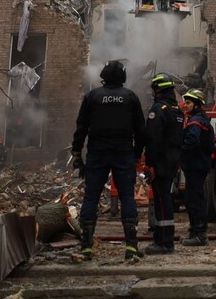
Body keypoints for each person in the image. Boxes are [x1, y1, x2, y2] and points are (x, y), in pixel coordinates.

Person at [71, 60, 146, 260]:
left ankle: (86, 247)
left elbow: (81, 127)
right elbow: (140, 130)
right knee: (127, 197)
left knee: (91, 197)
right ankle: (131, 247)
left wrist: (77, 153)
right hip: (124, 152)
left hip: (97, 152)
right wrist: (137, 154)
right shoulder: (130, 97)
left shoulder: (92, 97)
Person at [143, 72, 184, 255]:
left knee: (161, 200)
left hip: (159, 163)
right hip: (172, 161)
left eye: (153, 89)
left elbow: (152, 139)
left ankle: (164, 243)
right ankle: (165, 240)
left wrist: (149, 163)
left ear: (158, 89)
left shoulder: (159, 109)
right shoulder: (177, 110)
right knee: (165, 199)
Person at [180, 88, 215, 247]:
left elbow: (192, 142)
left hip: (195, 166)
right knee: (192, 198)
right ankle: (195, 232)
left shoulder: (196, 122)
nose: (185, 105)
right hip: (198, 166)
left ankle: (199, 234)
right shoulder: (201, 119)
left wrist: (179, 153)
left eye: (188, 102)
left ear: (197, 104)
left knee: (194, 200)